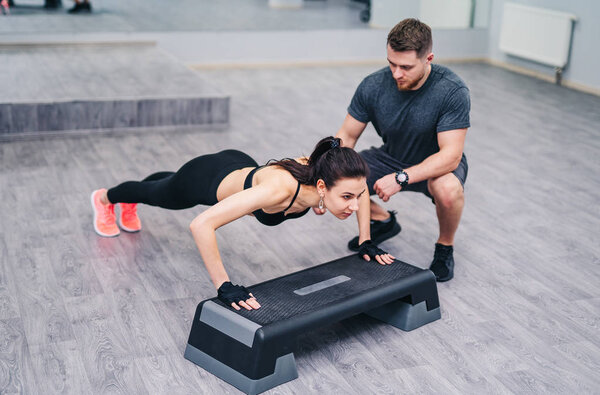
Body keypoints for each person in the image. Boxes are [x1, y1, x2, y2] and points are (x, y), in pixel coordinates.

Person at [91, 137, 394, 310]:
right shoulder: (277, 190)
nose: (355, 204)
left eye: (354, 196)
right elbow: (201, 225)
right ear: (322, 187)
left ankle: (141, 194)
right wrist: (224, 286)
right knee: (160, 193)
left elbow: (362, 189)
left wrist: (365, 239)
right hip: (206, 179)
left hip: (239, 164)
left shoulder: (329, 175)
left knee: (165, 186)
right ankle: (105, 198)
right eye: (347, 198)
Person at [334, 18, 470, 282]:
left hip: (436, 164)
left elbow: (450, 155)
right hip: (390, 156)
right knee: (337, 180)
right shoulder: (372, 85)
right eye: (391, 64)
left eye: (406, 67)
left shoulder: (452, 90)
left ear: (428, 58)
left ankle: (444, 247)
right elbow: (347, 136)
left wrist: (402, 178)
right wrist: (324, 172)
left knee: (449, 191)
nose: (396, 74)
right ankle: (384, 221)